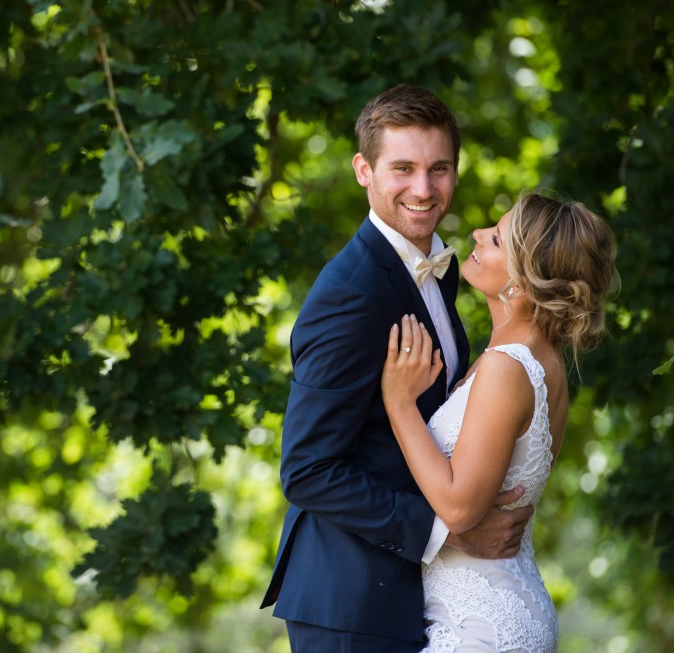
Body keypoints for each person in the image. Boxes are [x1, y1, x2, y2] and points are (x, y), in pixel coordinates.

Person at [260, 84, 534, 652]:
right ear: (364, 170)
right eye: (402, 168)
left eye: (440, 169)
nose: (423, 189)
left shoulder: (439, 271)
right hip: (350, 598)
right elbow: (307, 469)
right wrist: (450, 533)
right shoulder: (350, 295)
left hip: (415, 596)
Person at [381, 192, 619, 652]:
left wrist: (399, 405)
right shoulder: (542, 362)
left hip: (481, 631)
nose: (475, 234)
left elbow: (457, 508)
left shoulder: (508, 367)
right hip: (497, 611)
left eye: (494, 239)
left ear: (522, 281)